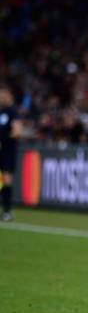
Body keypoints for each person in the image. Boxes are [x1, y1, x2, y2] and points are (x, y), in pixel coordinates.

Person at [0, 87, 22, 222]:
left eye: (3, 95)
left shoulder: (12, 112)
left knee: (7, 178)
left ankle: (7, 211)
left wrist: (3, 140)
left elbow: (17, 131)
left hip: (7, 150)